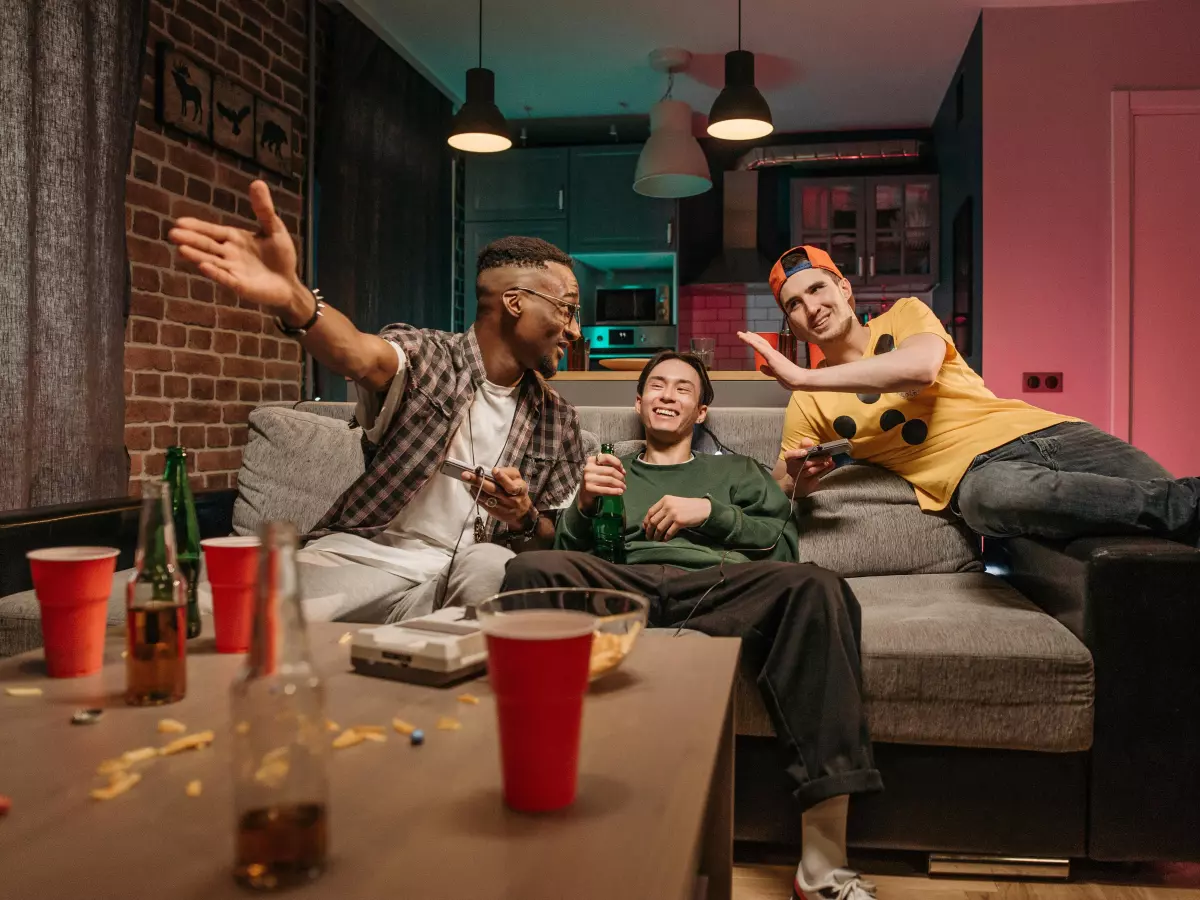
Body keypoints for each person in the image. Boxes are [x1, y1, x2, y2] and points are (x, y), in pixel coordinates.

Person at [502, 351, 882, 900]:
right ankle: (527, 819)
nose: (667, 394)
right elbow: (566, 553)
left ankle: (823, 868)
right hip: (621, 588)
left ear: (701, 411)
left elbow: (783, 546)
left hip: (719, 586)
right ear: (637, 403)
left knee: (818, 586)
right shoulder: (610, 468)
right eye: (656, 385)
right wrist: (583, 505)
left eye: (683, 389)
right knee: (529, 568)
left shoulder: (736, 471)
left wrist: (710, 512)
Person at [168, 180, 585, 622]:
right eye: (567, 309)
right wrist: (296, 300)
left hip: (462, 578)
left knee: (491, 564)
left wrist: (522, 516)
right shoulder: (429, 359)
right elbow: (358, 354)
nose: (574, 330)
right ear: (515, 301)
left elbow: (549, 541)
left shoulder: (559, 422)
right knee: (223, 619)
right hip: (369, 560)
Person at [739, 245, 1200, 546]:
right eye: (793, 305)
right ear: (791, 323)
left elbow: (918, 367)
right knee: (988, 499)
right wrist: (798, 474)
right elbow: (783, 484)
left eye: (817, 288)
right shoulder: (809, 401)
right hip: (977, 476)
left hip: (1051, 433)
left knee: (1172, 530)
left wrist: (802, 376)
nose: (811, 307)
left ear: (844, 288)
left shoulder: (904, 315)